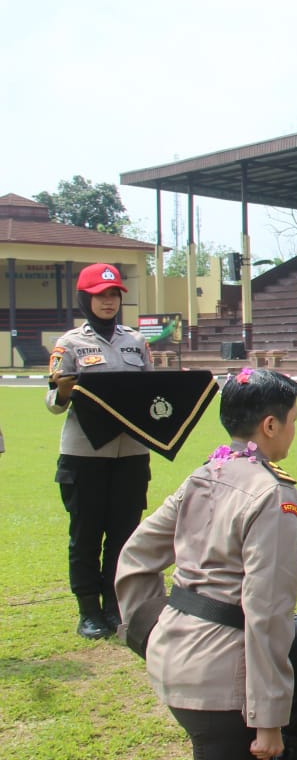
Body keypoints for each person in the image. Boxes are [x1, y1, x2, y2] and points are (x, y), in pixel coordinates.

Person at [115, 369, 297, 760]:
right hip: (219, 676)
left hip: (178, 651)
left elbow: (135, 556)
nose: (294, 429)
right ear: (270, 425)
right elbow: (266, 612)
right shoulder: (273, 495)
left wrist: (147, 633)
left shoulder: (206, 473)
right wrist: (268, 720)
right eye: (294, 418)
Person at [46, 263, 153, 640]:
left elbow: (150, 392)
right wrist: (62, 389)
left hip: (131, 452)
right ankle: (88, 610)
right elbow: (54, 404)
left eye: (113, 295)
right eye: (100, 295)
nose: (108, 302)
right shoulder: (70, 343)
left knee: (125, 532)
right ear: (85, 299)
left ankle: (116, 604)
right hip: (85, 454)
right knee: (87, 534)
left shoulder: (136, 342)